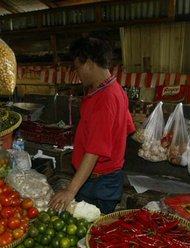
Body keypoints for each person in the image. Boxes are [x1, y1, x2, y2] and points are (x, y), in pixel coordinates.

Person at [48, 37, 136, 214]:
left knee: (91, 229)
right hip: (101, 178)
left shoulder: (104, 100)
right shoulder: (114, 89)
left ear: (88, 63)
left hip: (99, 183)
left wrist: (70, 190)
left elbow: (95, 151)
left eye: (78, 67)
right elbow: (127, 128)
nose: (78, 74)